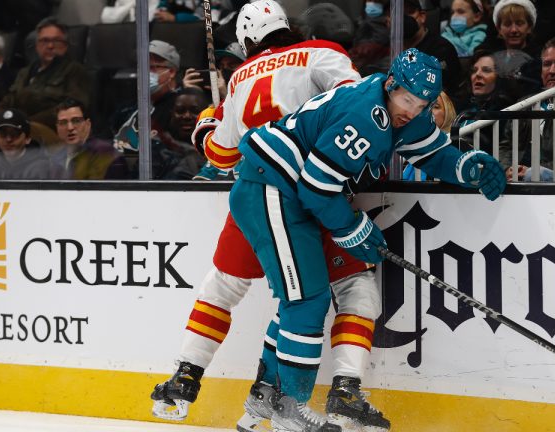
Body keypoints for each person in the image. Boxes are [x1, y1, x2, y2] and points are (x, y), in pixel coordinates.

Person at [229, 47, 504, 430]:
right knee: (305, 297)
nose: (412, 109)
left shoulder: (407, 113)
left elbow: (432, 153)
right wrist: (351, 227)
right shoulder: (365, 113)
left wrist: (465, 166)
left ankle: (266, 395)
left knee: (305, 296)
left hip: (290, 195)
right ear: (391, 84)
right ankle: (288, 406)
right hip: (270, 188)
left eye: (422, 103)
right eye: (407, 99)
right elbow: (317, 188)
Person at [150, 2, 392, 431]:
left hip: (255, 192)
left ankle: (188, 374)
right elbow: (357, 104)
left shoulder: (240, 77)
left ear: (248, 42)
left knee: (226, 286)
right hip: (316, 196)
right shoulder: (323, 51)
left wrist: (208, 121)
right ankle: (332, 390)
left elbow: (222, 155)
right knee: (344, 289)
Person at [504, 37, 555, 182]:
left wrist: (534, 170)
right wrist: (507, 168)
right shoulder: (525, 103)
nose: (552, 71)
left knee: (534, 175)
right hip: (521, 178)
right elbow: (505, 144)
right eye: (547, 64)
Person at [0, 17, 91, 135]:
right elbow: (8, 100)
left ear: (65, 46)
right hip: (17, 130)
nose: (50, 46)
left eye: (56, 41)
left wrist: (26, 124)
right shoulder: (25, 72)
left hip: (51, 132)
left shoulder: (74, 70)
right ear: (37, 46)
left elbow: (72, 107)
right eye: (44, 41)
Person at [113, 40, 181, 178]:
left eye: (152, 67)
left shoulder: (181, 108)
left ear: (172, 72)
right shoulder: (128, 107)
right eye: (142, 67)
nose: (145, 73)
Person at [476, 0, 542, 100]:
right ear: (499, 29)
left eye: (519, 23)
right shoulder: (489, 60)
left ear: (529, 27)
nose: (514, 30)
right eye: (507, 24)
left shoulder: (539, 59)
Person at [403, 0, 465, 105]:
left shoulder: (441, 49)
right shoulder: (391, 50)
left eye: (409, 12)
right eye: (399, 15)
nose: (404, 19)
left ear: (422, 16)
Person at [51, 99, 129, 180]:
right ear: (57, 128)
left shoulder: (106, 153)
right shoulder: (55, 157)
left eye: (76, 121)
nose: (70, 128)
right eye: (63, 122)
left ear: (87, 125)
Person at [0, 109, 52, 180]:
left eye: (15, 134)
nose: (8, 139)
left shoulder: (42, 168)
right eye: (3, 134)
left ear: (27, 138)